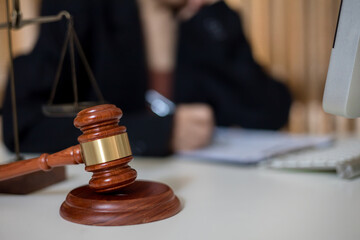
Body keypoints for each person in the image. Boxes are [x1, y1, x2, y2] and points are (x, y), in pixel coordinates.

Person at [2, 0, 292, 156]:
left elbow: (270, 112)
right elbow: (22, 124)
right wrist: (158, 133)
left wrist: (214, 18)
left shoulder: (205, 25)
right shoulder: (82, 7)